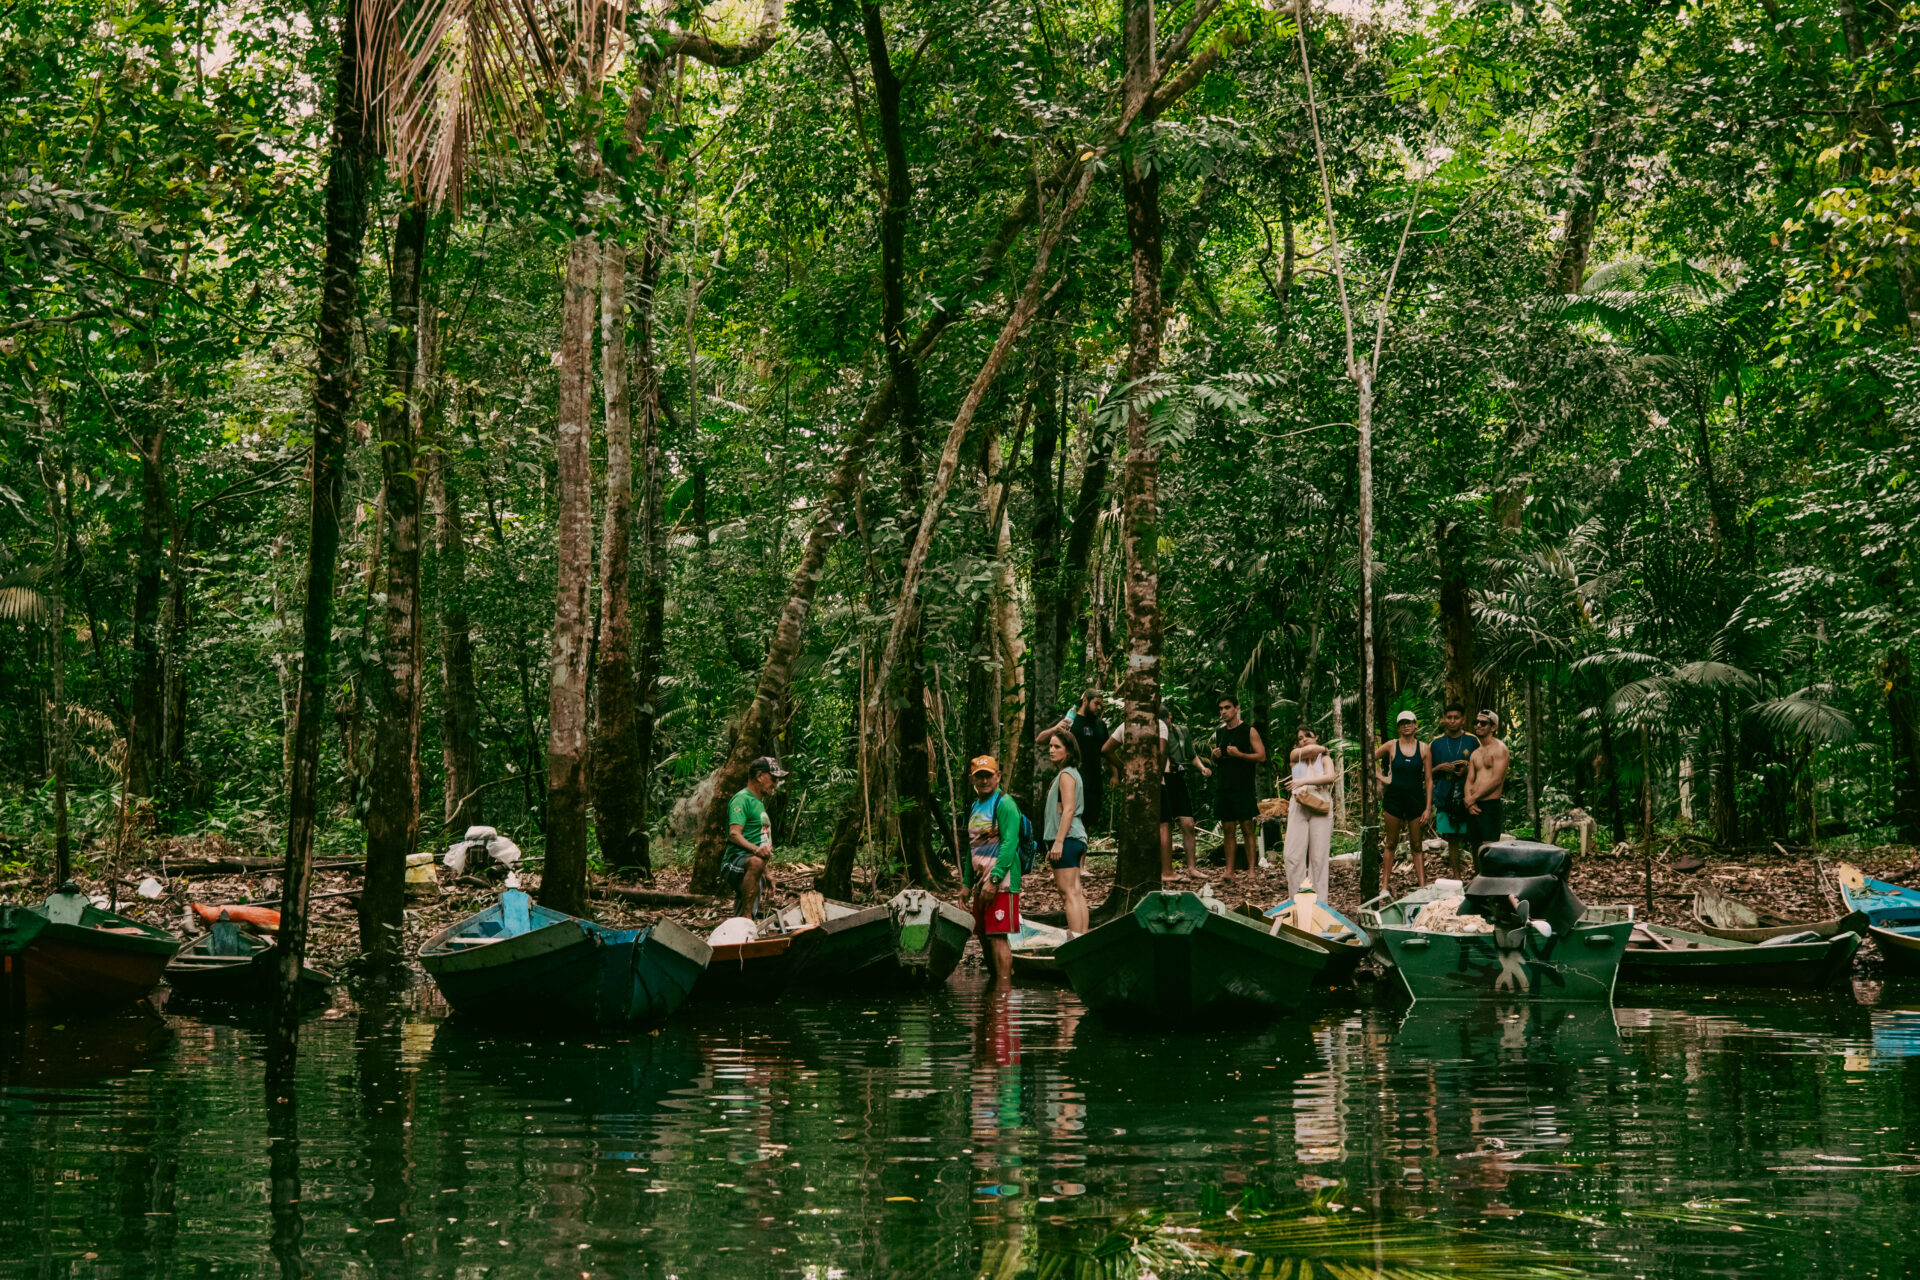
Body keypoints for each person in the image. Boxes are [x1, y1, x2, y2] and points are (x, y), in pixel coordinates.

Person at [963, 755, 1024, 982]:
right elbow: (972, 848)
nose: (984, 780)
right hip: (981, 882)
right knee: (983, 935)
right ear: (972, 779)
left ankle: (1003, 993)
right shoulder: (975, 806)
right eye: (980, 776)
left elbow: (1010, 843)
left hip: (1002, 882)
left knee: (998, 936)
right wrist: (966, 884)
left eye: (989, 775)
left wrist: (995, 879)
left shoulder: (1005, 804)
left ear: (998, 777)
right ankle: (994, 990)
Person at [1210, 694, 1266, 880]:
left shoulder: (1249, 731)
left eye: (1227, 708)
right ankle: (1229, 871)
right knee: (1228, 829)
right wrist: (1215, 757)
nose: (1223, 712)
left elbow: (1261, 756)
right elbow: (1217, 762)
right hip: (1224, 786)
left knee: (1247, 827)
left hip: (1243, 786)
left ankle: (1251, 870)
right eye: (1221, 709)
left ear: (1236, 708)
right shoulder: (1220, 732)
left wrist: (1240, 754)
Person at [1374, 710, 1433, 887]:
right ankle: (1384, 885)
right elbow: (1369, 759)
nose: (1406, 725)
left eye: (1409, 722)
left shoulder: (1424, 748)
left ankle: (1422, 885)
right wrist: (1381, 778)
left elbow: (1429, 779)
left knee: (1416, 845)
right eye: (1402, 723)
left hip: (1415, 799)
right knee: (1391, 842)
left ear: (1416, 725)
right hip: (1394, 798)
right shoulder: (1391, 745)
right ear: (1398, 727)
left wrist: (1428, 808)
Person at [1039, 729, 1089, 935]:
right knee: (1075, 891)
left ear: (1068, 751)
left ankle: (1077, 940)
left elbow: (1068, 809)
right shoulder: (1068, 774)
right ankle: (1082, 937)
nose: (1051, 750)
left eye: (1057, 746)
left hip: (1067, 839)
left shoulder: (1067, 775)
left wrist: (1058, 842)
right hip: (1074, 838)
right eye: (1050, 746)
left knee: (1068, 892)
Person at [724, 756, 789, 915]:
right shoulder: (741, 799)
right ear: (759, 776)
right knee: (755, 864)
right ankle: (747, 921)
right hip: (736, 861)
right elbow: (734, 834)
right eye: (773, 779)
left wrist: (766, 872)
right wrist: (756, 852)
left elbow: (757, 841)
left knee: (747, 905)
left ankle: (742, 930)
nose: (775, 784)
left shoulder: (758, 803)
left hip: (753, 863)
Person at [1041, 690, 1111, 833]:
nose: (1099, 708)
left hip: (1094, 782)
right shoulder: (1069, 721)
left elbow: (1106, 751)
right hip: (1070, 779)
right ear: (1085, 700)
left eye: (1101, 705)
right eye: (1096, 703)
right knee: (1065, 816)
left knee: (1086, 825)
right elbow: (1040, 739)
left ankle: (1080, 854)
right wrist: (1056, 728)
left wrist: (1114, 773)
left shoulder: (1100, 725)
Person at [1282, 727, 1337, 900]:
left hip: (1320, 807)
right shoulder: (1296, 756)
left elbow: (1330, 777)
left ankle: (1319, 903)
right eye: (1300, 738)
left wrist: (1304, 780)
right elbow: (1311, 750)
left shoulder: (1326, 759)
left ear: (1317, 737)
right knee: (1292, 856)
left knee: (1319, 859)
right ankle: (1297, 899)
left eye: (1308, 736)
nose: (1303, 740)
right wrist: (1321, 747)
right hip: (1299, 805)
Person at [1429, 705, 1480, 878]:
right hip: (1444, 797)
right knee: (1452, 840)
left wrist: (1467, 769)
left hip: (1468, 797)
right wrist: (1439, 768)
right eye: (1449, 717)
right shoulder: (1435, 744)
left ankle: (1477, 876)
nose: (1452, 721)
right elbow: (1425, 773)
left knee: (1474, 838)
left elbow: (1482, 766)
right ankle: (1457, 877)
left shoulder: (1472, 741)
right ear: (1443, 719)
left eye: (1456, 717)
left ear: (1463, 719)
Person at [1464, 710, 1511, 854]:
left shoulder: (1500, 749)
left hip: (1490, 806)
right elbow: (1469, 780)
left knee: (1488, 849)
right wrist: (1469, 801)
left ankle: (1490, 877)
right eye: (1476, 722)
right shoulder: (1475, 753)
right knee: (1475, 846)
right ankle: (1477, 876)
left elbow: (1496, 780)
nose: (1478, 725)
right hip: (1474, 805)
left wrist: (1472, 798)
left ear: (1493, 727)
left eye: (1483, 723)